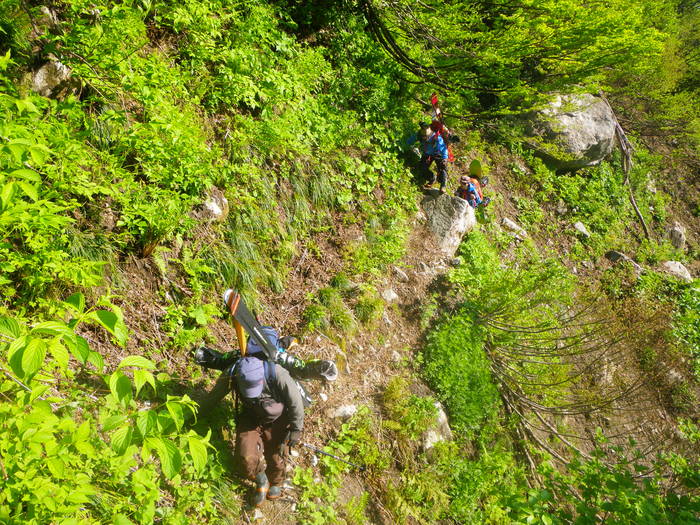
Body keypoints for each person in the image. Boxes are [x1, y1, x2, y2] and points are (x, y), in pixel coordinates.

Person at [198, 346, 305, 506]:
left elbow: (296, 402)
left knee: (276, 453)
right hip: (251, 415)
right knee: (245, 454)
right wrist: (195, 416)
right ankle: (261, 479)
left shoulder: (277, 373)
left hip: (278, 418)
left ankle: (276, 481)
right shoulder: (232, 373)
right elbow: (213, 397)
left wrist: (296, 429)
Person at [418, 121, 450, 193]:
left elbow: (444, 148)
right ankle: (431, 178)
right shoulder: (419, 134)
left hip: (438, 153)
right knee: (422, 167)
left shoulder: (437, 138)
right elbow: (411, 139)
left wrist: (445, 158)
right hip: (427, 153)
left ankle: (443, 185)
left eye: (426, 137)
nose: (424, 138)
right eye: (423, 137)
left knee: (442, 167)